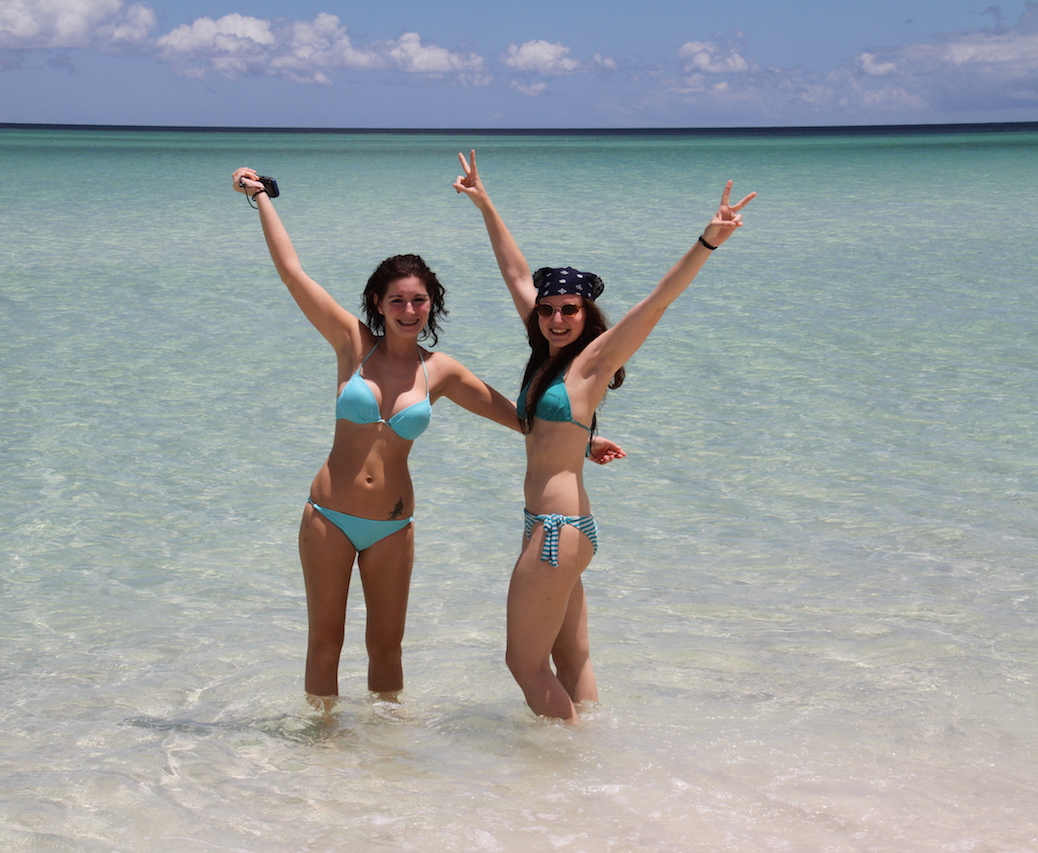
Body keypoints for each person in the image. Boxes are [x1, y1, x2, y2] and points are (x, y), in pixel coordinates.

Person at [231, 167, 624, 706]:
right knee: (324, 643)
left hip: (393, 526)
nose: (409, 310)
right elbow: (293, 272)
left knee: (387, 648)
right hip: (328, 516)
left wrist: (585, 442)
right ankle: (320, 755)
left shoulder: (440, 371)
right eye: (397, 301)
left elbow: (526, 419)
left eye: (419, 301)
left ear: (430, 306)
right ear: (377, 304)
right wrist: (261, 197)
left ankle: (386, 754)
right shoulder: (351, 343)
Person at [453, 150, 756, 721]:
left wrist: (709, 241)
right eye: (547, 311)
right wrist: (484, 203)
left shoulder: (592, 361)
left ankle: (558, 769)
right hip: (551, 527)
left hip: (556, 531)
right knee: (571, 659)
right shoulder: (545, 354)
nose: (556, 319)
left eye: (569, 310)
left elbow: (658, 299)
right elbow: (517, 274)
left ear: (586, 313)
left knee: (524, 665)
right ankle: (588, 776)